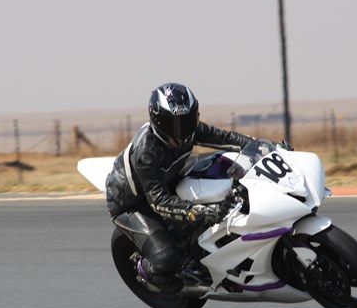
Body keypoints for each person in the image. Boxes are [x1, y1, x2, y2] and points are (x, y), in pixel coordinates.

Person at [106, 82, 254, 293]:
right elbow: (158, 202)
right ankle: (147, 270)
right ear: (157, 120)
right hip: (133, 203)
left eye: (186, 120)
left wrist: (263, 147)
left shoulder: (191, 131)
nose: (180, 130)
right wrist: (199, 212)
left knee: (223, 169)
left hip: (169, 178)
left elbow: (225, 138)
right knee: (167, 258)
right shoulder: (147, 152)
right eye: (172, 123)